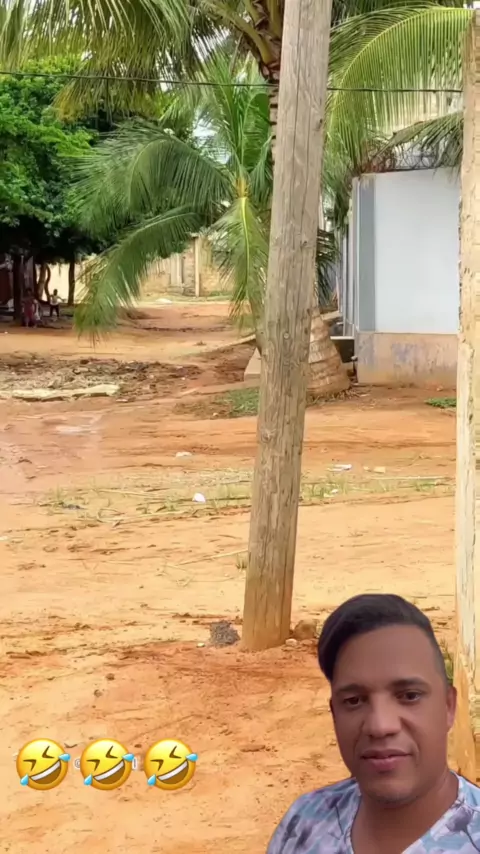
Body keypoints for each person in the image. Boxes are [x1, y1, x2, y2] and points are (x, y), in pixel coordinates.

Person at [267, 594, 480, 853]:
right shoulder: (304, 824)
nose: (380, 726)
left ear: (448, 706)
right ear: (335, 714)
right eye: (354, 701)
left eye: (409, 696)